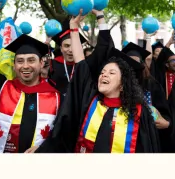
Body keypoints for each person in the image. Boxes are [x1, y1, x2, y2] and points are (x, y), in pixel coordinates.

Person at [37, 14, 160, 153]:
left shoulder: (139, 113)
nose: (104, 74)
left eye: (112, 73)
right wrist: (73, 28)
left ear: (123, 84)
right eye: (103, 71)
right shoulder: (91, 100)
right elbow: (81, 63)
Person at [0, 6, 61, 153]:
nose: (25, 66)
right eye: (20, 61)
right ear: (14, 65)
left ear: (42, 63)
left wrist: (45, 149)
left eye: (31, 60)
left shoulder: (56, 96)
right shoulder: (2, 87)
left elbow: (63, 135)